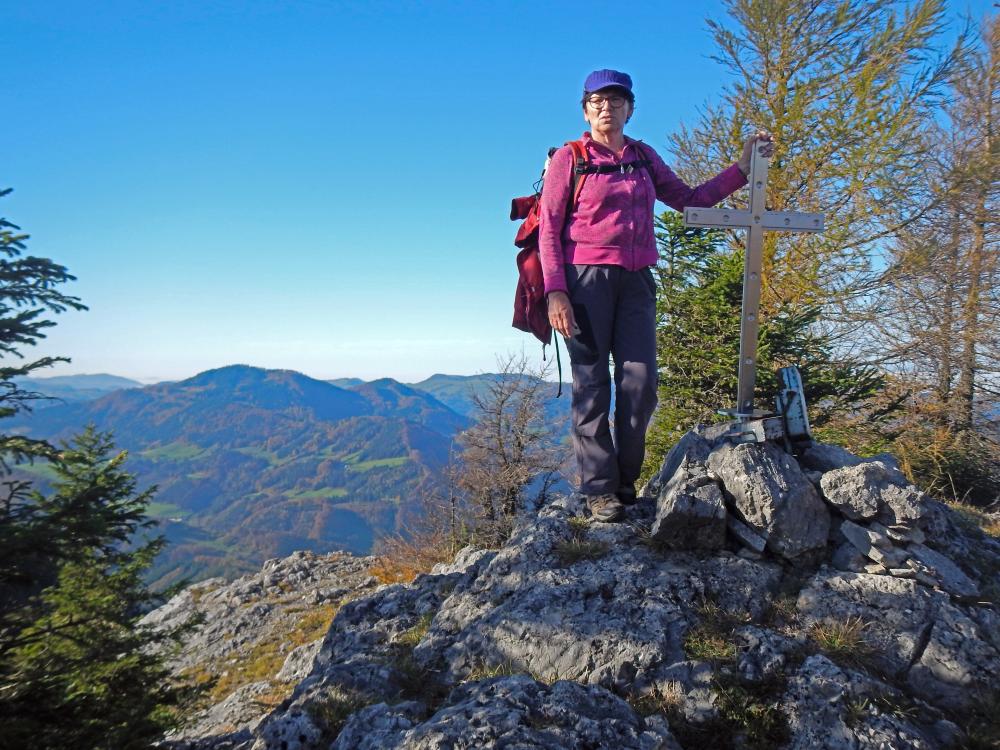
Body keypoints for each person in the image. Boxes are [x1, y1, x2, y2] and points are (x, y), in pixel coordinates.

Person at [539, 68, 773, 523]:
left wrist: (743, 170)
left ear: (630, 108)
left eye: (617, 100)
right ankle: (600, 491)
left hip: (637, 280)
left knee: (641, 384)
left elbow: (690, 198)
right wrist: (556, 292)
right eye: (598, 101)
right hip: (584, 281)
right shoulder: (571, 158)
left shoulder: (643, 156)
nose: (607, 107)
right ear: (586, 109)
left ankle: (626, 483)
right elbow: (549, 228)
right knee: (591, 385)